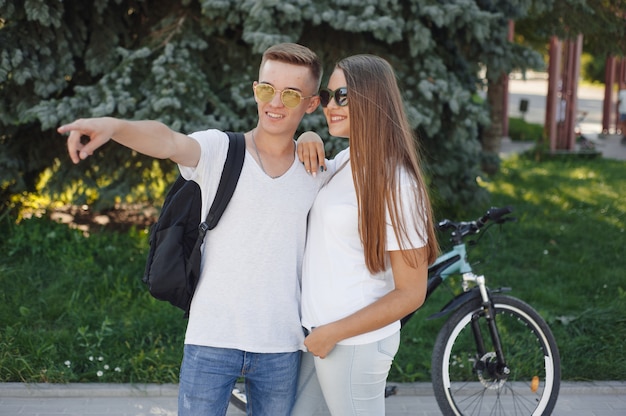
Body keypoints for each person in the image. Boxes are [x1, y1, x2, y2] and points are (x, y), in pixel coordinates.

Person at [58, 43, 327, 416]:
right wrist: (113, 126)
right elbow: (167, 139)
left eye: (291, 94)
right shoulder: (221, 150)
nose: (275, 102)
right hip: (211, 338)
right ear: (255, 89)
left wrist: (312, 138)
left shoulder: (317, 172)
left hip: (281, 345)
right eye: (267, 89)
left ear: (311, 104)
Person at [292, 54, 439, 415]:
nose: (330, 106)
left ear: (373, 99)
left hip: (351, 345)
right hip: (322, 337)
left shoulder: (397, 183)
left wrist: (333, 333)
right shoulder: (345, 161)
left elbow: (411, 292)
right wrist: (307, 135)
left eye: (342, 96)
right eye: (327, 97)